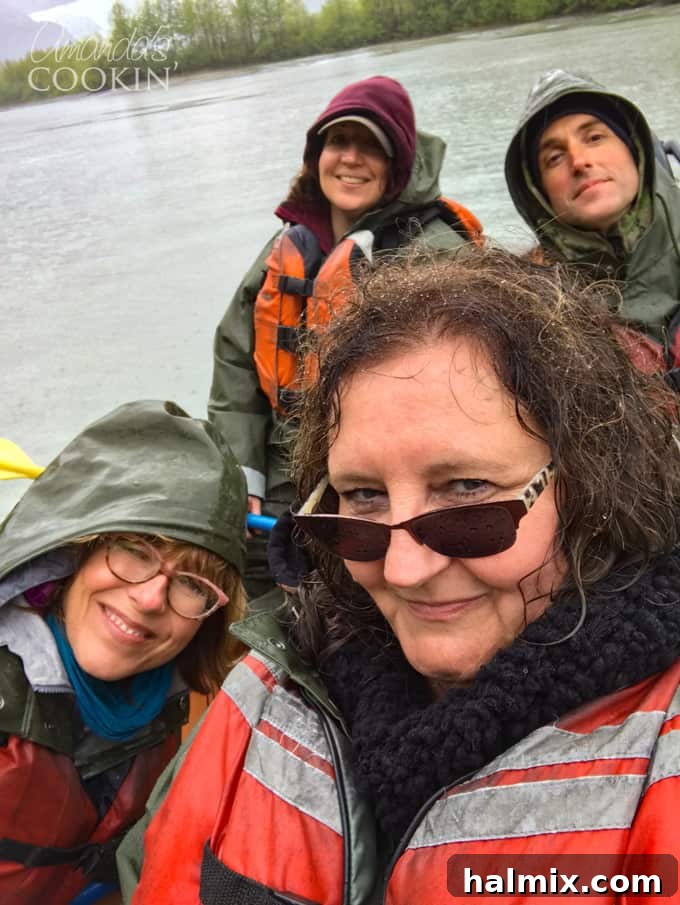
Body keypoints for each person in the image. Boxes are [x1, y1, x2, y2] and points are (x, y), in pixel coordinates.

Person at [119, 249, 680, 904]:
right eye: (362, 496)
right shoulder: (267, 685)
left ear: (592, 481)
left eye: (467, 489)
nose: (404, 568)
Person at [208, 74, 483, 597]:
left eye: (370, 147)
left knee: (349, 607)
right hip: (277, 474)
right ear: (317, 156)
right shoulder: (291, 243)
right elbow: (236, 361)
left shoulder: (438, 251)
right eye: (338, 142)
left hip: (377, 482)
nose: (351, 158)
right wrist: (242, 472)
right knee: (242, 581)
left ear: (397, 162)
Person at [0, 399, 247, 905]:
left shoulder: (192, 704)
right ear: (75, 552)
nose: (151, 597)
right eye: (134, 551)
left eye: (193, 584)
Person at [505, 68, 680, 374]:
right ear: (539, 194)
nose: (579, 161)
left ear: (635, 149)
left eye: (595, 137)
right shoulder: (533, 307)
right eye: (554, 158)